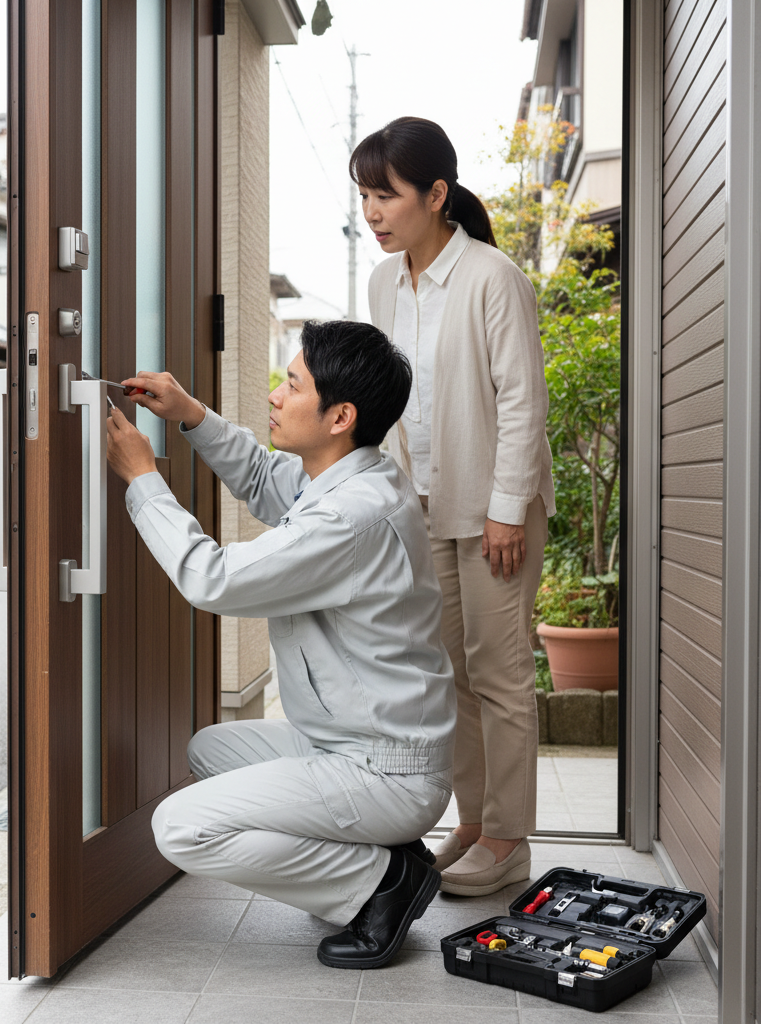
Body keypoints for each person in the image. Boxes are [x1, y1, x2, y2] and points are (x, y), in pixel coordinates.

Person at [104, 318, 456, 969]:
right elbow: (268, 482)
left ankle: (380, 884)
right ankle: (388, 856)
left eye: (291, 383)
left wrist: (143, 480)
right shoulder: (350, 475)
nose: (273, 394)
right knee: (212, 748)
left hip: (383, 769)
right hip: (357, 744)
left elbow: (213, 579)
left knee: (180, 827)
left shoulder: (351, 514)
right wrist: (190, 414)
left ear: (338, 416)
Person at [351, 116, 555, 897]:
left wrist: (507, 509)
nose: (372, 211)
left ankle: (509, 838)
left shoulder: (491, 277)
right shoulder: (381, 283)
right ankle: (473, 823)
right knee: (449, 674)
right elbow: (384, 399)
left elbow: (521, 404)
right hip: (422, 507)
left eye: (386, 195)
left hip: (492, 507)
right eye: (364, 195)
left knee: (500, 672)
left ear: (436, 196)